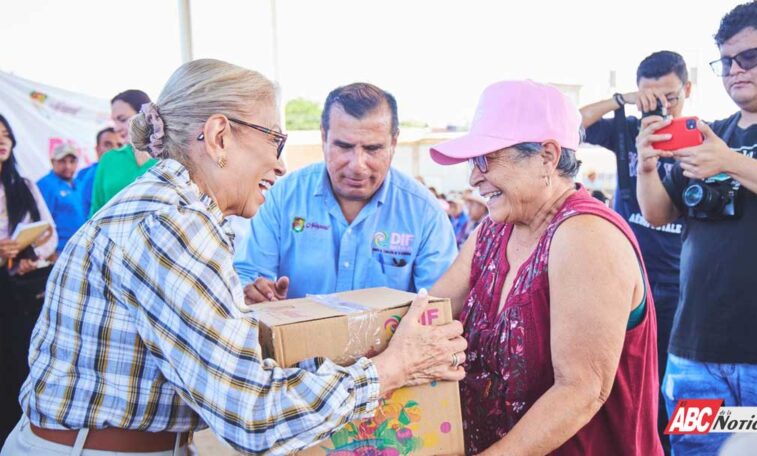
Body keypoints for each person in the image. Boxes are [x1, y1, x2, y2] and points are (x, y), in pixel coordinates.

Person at [2, 59, 467, 456]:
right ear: (220, 136)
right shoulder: (172, 225)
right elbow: (254, 416)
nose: (281, 165)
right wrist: (392, 368)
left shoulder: (172, 211)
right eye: (274, 142)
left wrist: (235, 310)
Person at [430, 80, 662, 455]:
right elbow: (431, 313)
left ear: (547, 156)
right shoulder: (494, 229)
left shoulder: (585, 234)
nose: (473, 176)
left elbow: (581, 390)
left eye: (486, 158)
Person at [635, 1, 757, 454]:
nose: (734, 70)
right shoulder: (712, 133)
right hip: (695, 354)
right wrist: (648, 167)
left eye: (748, 57)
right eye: (724, 62)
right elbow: (658, 214)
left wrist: (729, 163)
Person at [234, 83, 457, 302]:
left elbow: (438, 307)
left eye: (373, 148)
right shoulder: (283, 198)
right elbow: (248, 276)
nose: (357, 165)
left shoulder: (425, 214)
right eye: (344, 146)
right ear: (324, 138)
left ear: (394, 142)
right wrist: (257, 293)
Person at [580, 50, 691, 453]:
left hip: (681, 280)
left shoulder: (704, 136)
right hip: (628, 275)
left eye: (670, 99)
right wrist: (621, 102)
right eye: (651, 99)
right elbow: (568, 125)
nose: (660, 110)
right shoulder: (626, 129)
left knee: (673, 377)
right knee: (623, 374)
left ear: (688, 91)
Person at [0, 114, 57, 444]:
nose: (3, 140)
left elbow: (48, 233)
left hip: (24, 293)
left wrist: (32, 256)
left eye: (6, 134)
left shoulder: (25, 186)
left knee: (24, 365)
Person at [89, 90, 157, 215]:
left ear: (146, 115)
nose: (116, 128)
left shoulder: (169, 159)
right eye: (114, 121)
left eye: (122, 119)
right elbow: (95, 212)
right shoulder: (108, 160)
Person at [36, 143, 84, 253]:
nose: (68, 166)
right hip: (59, 252)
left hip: (80, 250)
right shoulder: (45, 185)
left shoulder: (79, 184)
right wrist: (51, 254)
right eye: (62, 161)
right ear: (53, 162)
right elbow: (40, 223)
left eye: (72, 161)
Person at [76, 127, 122, 218]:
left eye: (119, 145)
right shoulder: (91, 177)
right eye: (108, 145)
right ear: (97, 149)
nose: (115, 149)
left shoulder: (122, 174)